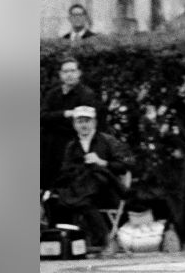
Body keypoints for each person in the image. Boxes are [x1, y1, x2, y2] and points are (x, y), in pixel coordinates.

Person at [51, 106, 133, 254]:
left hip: (106, 192)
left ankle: (103, 241)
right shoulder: (72, 146)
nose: (84, 125)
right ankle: (72, 243)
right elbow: (65, 172)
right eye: (80, 121)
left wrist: (103, 162)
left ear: (94, 122)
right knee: (74, 199)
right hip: (82, 193)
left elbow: (125, 166)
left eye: (87, 121)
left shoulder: (108, 141)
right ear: (74, 125)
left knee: (80, 196)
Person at [41, 57, 102, 189]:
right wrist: (65, 114)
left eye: (73, 71)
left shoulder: (86, 95)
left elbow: (83, 122)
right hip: (49, 143)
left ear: (79, 73)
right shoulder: (53, 94)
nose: (69, 74)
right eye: (65, 71)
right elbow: (42, 116)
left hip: (71, 142)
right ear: (60, 74)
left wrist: (54, 118)